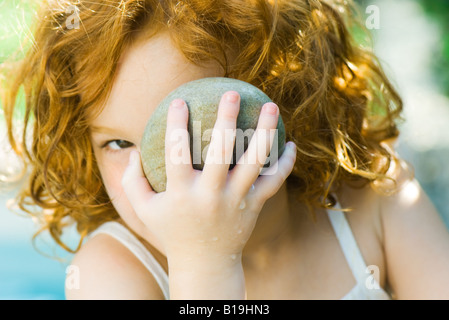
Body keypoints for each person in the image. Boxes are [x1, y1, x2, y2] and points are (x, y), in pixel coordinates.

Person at [2, 0, 449, 300]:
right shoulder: (112, 272)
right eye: (118, 143)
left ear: (284, 106)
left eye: (191, 134)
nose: (155, 178)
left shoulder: (375, 199)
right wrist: (206, 261)